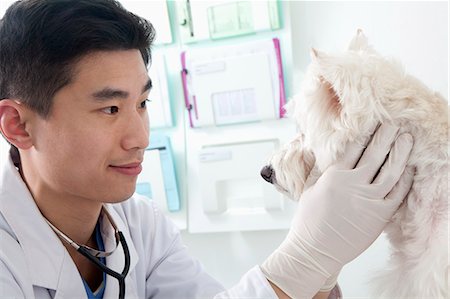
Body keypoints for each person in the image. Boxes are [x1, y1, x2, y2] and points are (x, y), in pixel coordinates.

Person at [0, 1, 414, 298]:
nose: (139, 137)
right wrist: (304, 257)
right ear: (18, 125)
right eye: (110, 108)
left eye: (142, 104)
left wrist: (323, 267)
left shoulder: (141, 224)